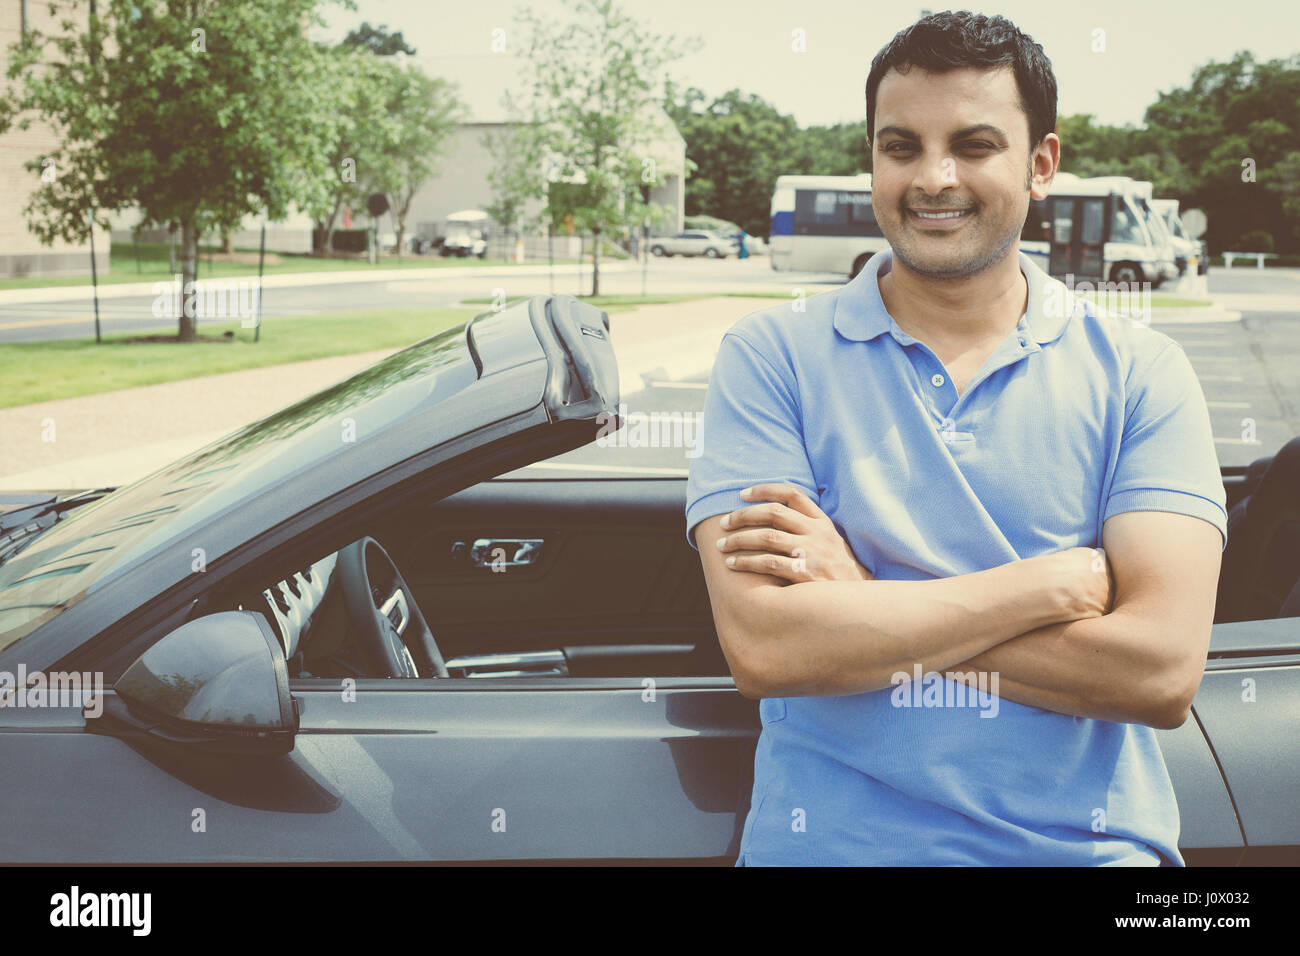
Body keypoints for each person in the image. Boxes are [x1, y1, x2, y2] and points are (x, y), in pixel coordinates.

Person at [685, 11, 1226, 866]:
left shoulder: (1142, 372)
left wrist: (860, 597)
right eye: (900, 146)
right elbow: (769, 647)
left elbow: (1157, 674)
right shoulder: (770, 358)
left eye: (974, 145)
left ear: (1040, 165)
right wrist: (1046, 588)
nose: (933, 178)